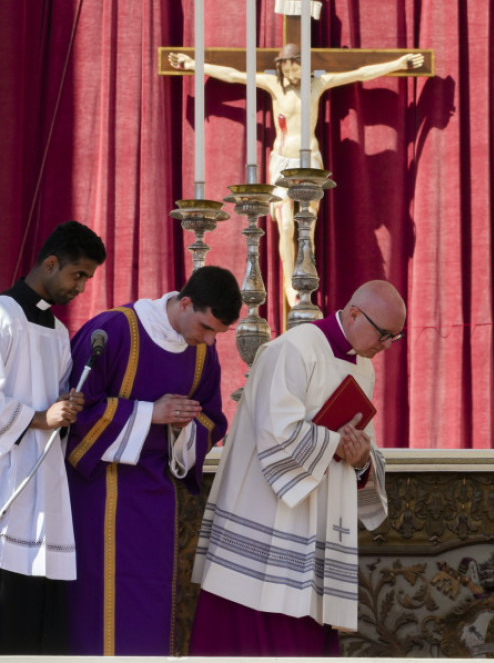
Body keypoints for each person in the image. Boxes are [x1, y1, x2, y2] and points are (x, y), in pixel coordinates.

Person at [189, 279, 404, 656]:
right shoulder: (293, 349)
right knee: (258, 631)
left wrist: (359, 460)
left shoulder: (363, 367)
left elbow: (361, 441)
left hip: (320, 520)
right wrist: (337, 444)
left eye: (395, 338)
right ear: (354, 313)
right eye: (384, 334)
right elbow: (277, 434)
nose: (386, 346)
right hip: (272, 518)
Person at [63, 265, 241, 656]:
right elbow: (74, 412)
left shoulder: (201, 354)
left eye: (217, 334)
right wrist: (149, 414)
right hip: (99, 494)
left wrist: (182, 425)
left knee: (150, 601)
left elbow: (211, 419)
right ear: (186, 302)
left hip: (159, 498)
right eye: (206, 327)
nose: (210, 341)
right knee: (100, 600)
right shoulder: (114, 330)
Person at [168, 46, 425, 306]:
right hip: (282, 162)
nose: (291, 74)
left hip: (309, 162)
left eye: (296, 68)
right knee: (286, 225)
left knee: (307, 228)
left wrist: (398, 63)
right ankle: (290, 284)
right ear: (280, 68)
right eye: (286, 68)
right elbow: (234, 75)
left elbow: (361, 73)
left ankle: (304, 282)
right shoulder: (273, 85)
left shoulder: (318, 84)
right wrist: (194, 65)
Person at [0, 221, 106, 654]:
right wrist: (42, 416)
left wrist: (66, 407)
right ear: (49, 263)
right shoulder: (3, 316)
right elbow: (37, 411)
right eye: (77, 275)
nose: (81, 287)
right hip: (9, 480)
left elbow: (53, 404)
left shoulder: (60, 332)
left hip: (44, 482)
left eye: (87, 278)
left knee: (41, 613)